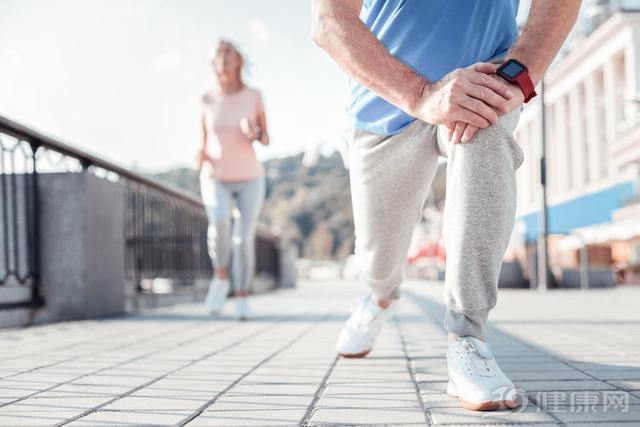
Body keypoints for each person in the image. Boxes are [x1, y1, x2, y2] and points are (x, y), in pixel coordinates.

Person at [312, 0, 580, 411]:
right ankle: (380, 297)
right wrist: (421, 95)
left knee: (485, 140)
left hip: (484, 76)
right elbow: (330, 21)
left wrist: (518, 74)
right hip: (386, 105)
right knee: (378, 258)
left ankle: (468, 339)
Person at [197, 39, 269, 320]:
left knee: (242, 239)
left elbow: (266, 137)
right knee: (218, 222)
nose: (223, 57)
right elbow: (204, 139)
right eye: (218, 53)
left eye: (228, 52)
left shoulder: (254, 96)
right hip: (215, 175)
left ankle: (242, 296)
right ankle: (221, 276)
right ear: (214, 63)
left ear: (239, 60)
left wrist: (254, 133)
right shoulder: (206, 99)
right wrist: (199, 155)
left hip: (250, 177)